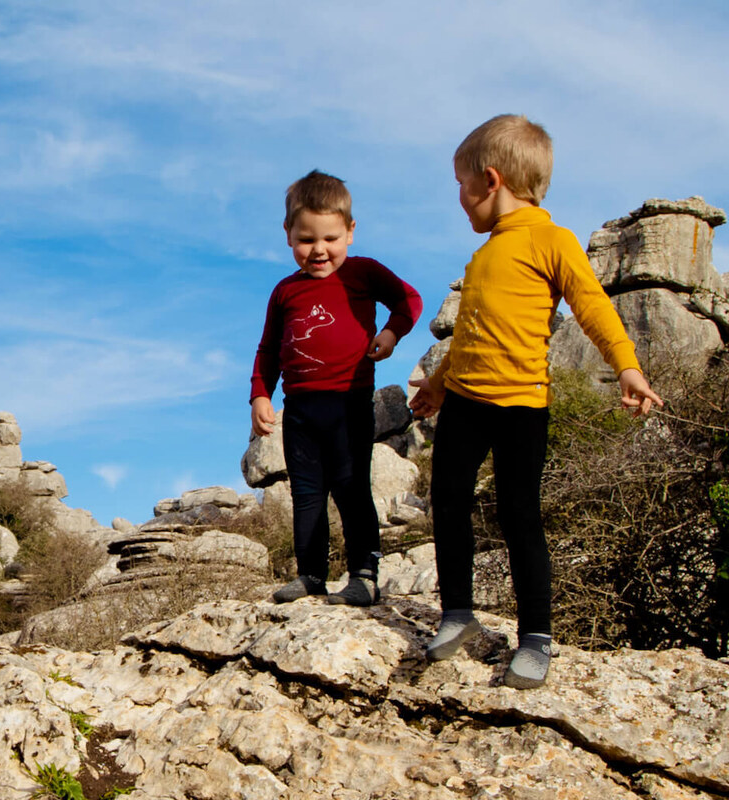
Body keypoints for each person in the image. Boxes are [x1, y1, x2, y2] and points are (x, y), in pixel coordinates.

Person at [409, 115, 662, 688]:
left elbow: (592, 305)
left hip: (523, 404)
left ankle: (537, 639)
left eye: (460, 184)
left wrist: (625, 364)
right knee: (447, 500)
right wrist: (439, 384)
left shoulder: (552, 240)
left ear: (489, 180)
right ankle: (457, 613)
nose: (458, 198)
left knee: (519, 514)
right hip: (466, 405)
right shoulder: (483, 257)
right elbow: (472, 334)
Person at [251, 169, 423, 606]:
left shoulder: (363, 273)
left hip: (349, 403)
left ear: (350, 231)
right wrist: (260, 393)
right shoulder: (284, 292)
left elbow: (410, 300)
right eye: (306, 239)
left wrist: (391, 333)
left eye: (330, 238)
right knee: (307, 494)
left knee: (350, 487)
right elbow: (269, 348)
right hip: (301, 409)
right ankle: (310, 575)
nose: (319, 250)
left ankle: (364, 575)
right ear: (288, 234)